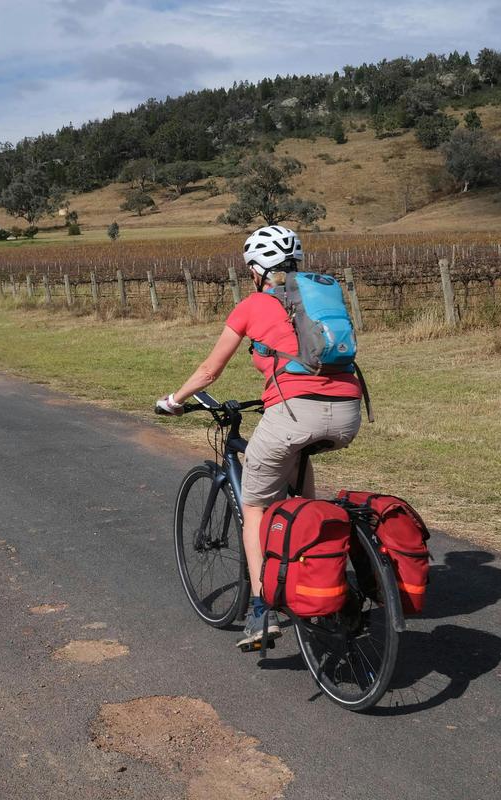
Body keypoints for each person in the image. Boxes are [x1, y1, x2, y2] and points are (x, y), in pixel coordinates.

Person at [155, 225, 364, 650]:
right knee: (303, 502)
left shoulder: (252, 305)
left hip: (292, 414)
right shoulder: (320, 300)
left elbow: (210, 371)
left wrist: (174, 400)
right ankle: (327, 582)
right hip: (347, 412)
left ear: (255, 269)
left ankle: (259, 609)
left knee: (254, 509)